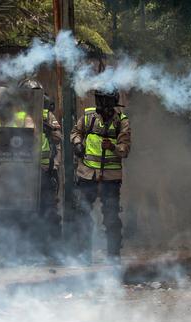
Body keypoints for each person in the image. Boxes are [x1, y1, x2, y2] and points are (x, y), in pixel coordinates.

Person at [71, 88, 131, 262]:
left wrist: (112, 147)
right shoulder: (89, 117)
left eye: (104, 101)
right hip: (87, 174)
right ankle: (83, 255)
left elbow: (125, 149)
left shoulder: (122, 122)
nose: (101, 106)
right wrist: (77, 145)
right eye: (99, 101)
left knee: (111, 217)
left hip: (110, 178)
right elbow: (76, 132)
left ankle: (113, 256)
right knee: (82, 214)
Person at [18, 79, 63, 261]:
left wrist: (48, 129)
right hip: (22, 172)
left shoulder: (47, 115)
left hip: (45, 170)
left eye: (34, 95)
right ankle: (27, 252)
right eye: (29, 95)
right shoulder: (18, 115)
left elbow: (58, 138)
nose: (32, 99)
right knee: (25, 211)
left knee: (49, 210)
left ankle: (52, 251)